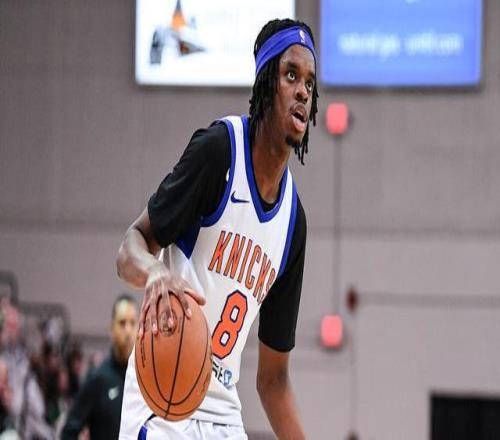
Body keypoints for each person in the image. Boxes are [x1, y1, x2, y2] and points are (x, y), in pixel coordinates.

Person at [116, 18, 318, 440]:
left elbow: (273, 379)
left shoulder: (292, 223)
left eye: (310, 83)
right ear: (266, 83)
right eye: (291, 75)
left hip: (222, 414)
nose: (303, 91)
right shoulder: (219, 153)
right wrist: (154, 271)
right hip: (161, 405)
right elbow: (130, 248)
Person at [61, 294, 138, 440]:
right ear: (111, 329)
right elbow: (68, 432)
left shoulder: (146, 383)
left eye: (133, 323)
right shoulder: (98, 379)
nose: (128, 331)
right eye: (122, 323)